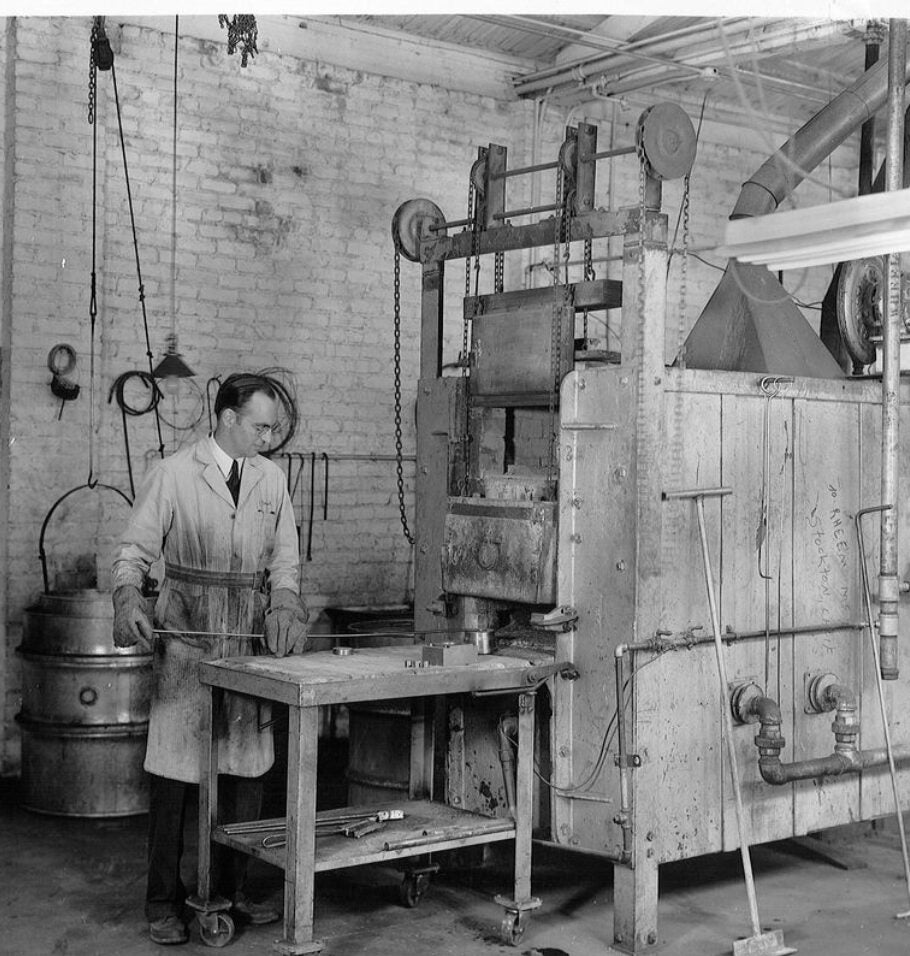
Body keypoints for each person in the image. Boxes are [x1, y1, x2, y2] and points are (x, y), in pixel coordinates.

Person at [111, 372, 308, 946]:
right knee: (174, 780)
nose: (269, 437)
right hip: (186, 643)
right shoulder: (174, 474)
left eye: (273, 428)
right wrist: (127, 595)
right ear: (226, 418)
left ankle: (234, 887)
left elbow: (285, 563)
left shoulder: (272, 479)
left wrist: (285, 605)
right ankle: (162, 902)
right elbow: (134, 551)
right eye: (260, 425)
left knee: (247, 774)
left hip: (247, 644)